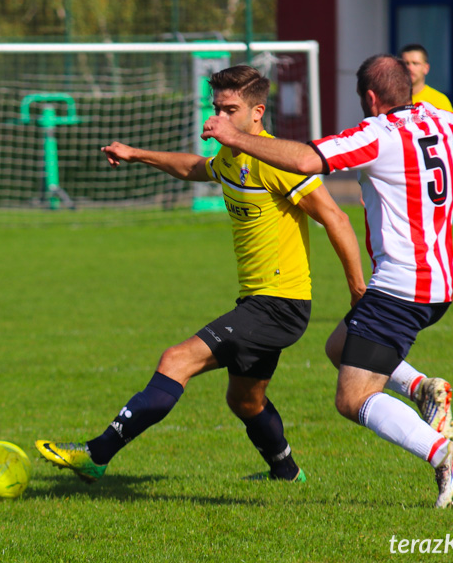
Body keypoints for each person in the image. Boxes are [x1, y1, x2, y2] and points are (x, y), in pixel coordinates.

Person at [35, 65, 366, 485]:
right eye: (217, 108)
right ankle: (286, 472)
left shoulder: (277, 160)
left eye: (231, 110)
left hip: (280, 302)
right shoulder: (231, 155)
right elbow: (195, 168)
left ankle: (96, 454)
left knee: (177, 359)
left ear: (257, 112)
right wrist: (137, 153)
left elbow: (335, 217)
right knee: (245, 400)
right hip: (261, 301)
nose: (220, 118)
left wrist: (358, 289)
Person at [200, 54, 453, 508]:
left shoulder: (377, 134)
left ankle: (444, 453)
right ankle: (424, 391)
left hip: (401, 287)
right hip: (439, 284)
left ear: (370, 98)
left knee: (353, 398)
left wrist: (234, 137)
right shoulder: (439, 119)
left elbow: (308, 159)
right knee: (339, 346)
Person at [400, 43, 453, 206]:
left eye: (415, 63)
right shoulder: (390, 100)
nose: (410, 68)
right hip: (400, 180)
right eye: (405, 63)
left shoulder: (439, 101)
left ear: (425, 68)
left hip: (431, 181)